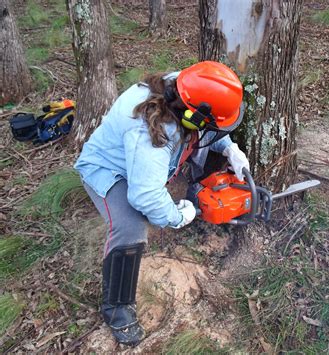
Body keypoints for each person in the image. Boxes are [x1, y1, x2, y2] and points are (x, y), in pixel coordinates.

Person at [74, 61, 250, 346]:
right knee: (131, 228)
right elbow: (144, 195)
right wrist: (176, 216)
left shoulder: (187, 88)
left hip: (145, 160)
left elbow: (211, 123)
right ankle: (117, 308)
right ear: (192, 113)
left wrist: (229, 148)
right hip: (108, 169)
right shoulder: (151, 132)